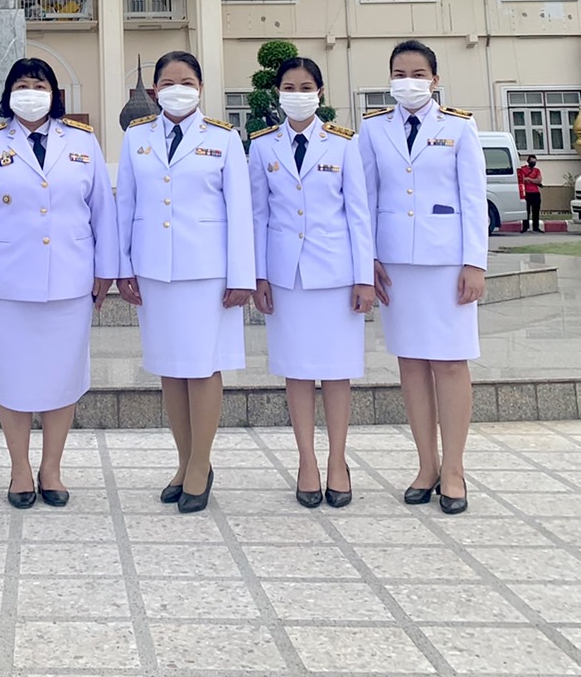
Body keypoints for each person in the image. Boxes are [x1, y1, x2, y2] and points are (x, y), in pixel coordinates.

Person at [0, 58, 118, 507]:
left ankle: (52, 469)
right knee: (12, 378)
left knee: (63, 378)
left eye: (39, 84)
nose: (31, 92)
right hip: (6, 284)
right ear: (8, 93)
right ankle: (20, 469)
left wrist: (107, 269)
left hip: (69, 280)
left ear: (54, 93)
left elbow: (103, 209)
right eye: (22, 85)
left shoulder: (82, 141)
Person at [116, 51, 255, 514]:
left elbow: (240, 210)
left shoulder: (223, 138)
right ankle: (183, 461)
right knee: (170, 369)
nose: (179, 88)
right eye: (169, 81)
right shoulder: (137, 138)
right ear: (154, 91)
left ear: (200, 88)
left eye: (188, 80)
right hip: (155, 270)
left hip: (207, 272)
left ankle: (201, 464)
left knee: (203, 366)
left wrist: (242, 275)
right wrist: (124, 266)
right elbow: (127, 206)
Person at [358, 39, 487, 515]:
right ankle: (426, 465)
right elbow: (365, 198)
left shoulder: (458, 126)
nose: (407, 82)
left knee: (450, 364)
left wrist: (475, 262)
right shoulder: (373, 130)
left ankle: (454, 469)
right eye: (399, 73)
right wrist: (366, 258)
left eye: (417, 73)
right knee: (410, 363)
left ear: (434, 79)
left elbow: (474, 199)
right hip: (395, 265)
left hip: (447, 264)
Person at [249, 57, 375, 508]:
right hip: (286, 278)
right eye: (288, 85)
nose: (296, 93)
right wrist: (258, 274)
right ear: (277, 93)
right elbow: (259, 215)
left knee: (337, 373)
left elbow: (359, 215)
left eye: (305, 86)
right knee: (297, 373)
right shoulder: (262, 146)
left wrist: (364, 278)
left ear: (319, 92)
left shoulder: (344, 144)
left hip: (337, 276)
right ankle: (306, 461)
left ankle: (338, 461)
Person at [520, 155, 543, 233]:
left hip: (535, 193)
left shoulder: (537, 170)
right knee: (526, 211)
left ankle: (536, 227)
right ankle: (525, 227)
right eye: (532, 161)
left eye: (534, 161)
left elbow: (539, 181)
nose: (533, 163)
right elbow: (522, 179)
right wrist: (534, 180)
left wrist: (529, 179)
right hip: (526, 193)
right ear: (528, 161)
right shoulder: (523, 169)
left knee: (536, 211)